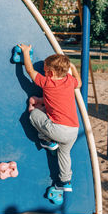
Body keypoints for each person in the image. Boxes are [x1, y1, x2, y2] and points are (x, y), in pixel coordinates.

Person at [18, 44, 82, 192]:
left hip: (58, 130)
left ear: (51, 73)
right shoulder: (69, 81)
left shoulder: (48, 82)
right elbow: (79, 82)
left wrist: (26, 52)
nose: (44, 72)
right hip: (73, 130)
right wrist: (73, 68)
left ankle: (48, 140)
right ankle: (65, 182)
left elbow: (29, 70)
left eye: (45, 71)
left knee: (34, 114)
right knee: (64, 155)